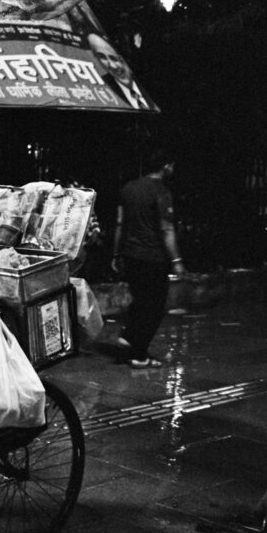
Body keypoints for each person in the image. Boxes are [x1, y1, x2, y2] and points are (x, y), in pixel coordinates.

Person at [110, 149, 187, 368]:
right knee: (153, 307)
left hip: (130, 255)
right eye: (172, 166)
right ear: (166, 166)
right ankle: (138, 352)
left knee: (141, 300)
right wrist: (177, 261)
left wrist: (116, 254)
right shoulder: (162, 192)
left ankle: (130, 339)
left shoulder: (128, 188)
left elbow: (119, 223)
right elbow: (167, 228)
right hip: (153, 257)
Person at [87, 32, 155, 111]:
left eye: (114, 58)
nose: (112, 66)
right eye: (102, 57)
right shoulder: (100, 87)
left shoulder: (149, 80)